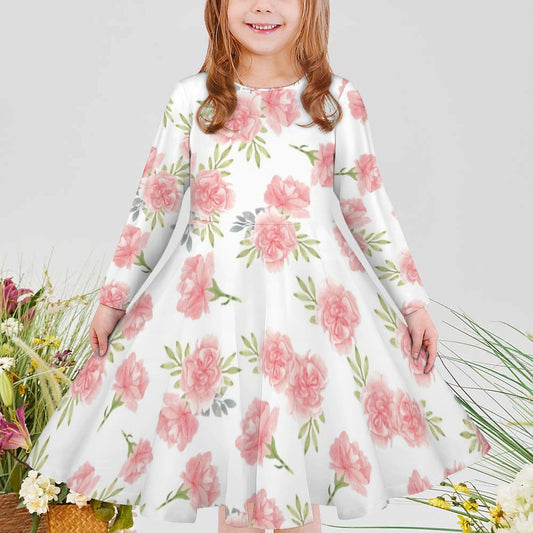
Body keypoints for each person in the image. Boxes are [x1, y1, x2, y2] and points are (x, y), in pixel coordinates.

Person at [25, 1, 492, 532]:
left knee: (296, 467)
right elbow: (156, 202)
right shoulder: (193, 100)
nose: (263, 5)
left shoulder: (336, 102)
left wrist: (411, 303)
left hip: (310, 312)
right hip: (213, 311)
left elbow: (368, 206)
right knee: (236, 474)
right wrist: (115, 298)